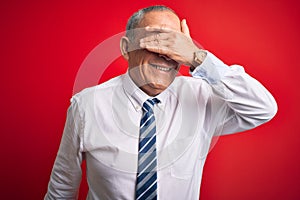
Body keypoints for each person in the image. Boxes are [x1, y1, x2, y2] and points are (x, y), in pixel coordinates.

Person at [45, 5, 277, 200]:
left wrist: (197, 57)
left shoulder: (201, 97)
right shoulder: (86, 105)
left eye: (175, 44)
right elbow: (62, 187)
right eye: (156, 39)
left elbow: (263, 109)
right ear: (127, 48)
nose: (167, 54)